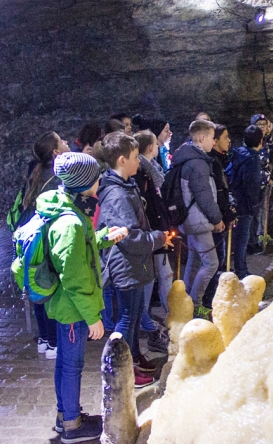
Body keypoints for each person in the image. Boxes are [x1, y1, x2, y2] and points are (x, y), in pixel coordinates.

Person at [38, 152, 126, 443]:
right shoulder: (71, 224)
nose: (100, 180)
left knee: (65, 363)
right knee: (71, 367)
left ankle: (66, 415)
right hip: (73, 310)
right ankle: (73, 428)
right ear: (84, 183)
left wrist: (105, 237)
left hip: (67, 306)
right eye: (96, 177)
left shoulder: (69, 210)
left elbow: (80, 249)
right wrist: (93, 318)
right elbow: (74, 279)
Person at [96, 132, 172, 388]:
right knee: (127, 317)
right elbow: (129, 237)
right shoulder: (117, 195)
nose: (139, 161)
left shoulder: (126, 185)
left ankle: (134, 355)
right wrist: (158, 238)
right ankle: (122, 368)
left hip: (135, 264)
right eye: (134, 157)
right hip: (126, 264)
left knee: (136, 312)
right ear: (121, 160)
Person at [19, 131, 70, 360]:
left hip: (33, 240)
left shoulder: (36, 173)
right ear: (55, 152)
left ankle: (44, 339)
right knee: (50, 289)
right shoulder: (57, 177)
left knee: (38, 289)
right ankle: (53, 342)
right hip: (47, 240)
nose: (67, 142)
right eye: (62, 141)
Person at [172, 120, 224, 319]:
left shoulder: (189, 159)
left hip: (192, 220)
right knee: (211, 263)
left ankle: (186, 302)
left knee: (194, 262)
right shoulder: (197, 163)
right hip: (199, 221)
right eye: (212, 137)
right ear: (202, 138)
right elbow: (204, 196)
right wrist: (217, 218)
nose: (214, 141)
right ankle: (194, 305)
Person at [132, 130, 173, 353]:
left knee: (156, 276)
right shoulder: (141, 176)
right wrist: (156, 234)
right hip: (149, 234)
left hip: (155, 232)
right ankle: (147, 324)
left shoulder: (149, 172)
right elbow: (147, 207)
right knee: (148, 280)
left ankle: (155, 320)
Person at [201, 124, 236, 308]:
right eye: (225, 137)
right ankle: (206, 300)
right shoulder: (212, 162)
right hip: (215, 220)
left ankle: (208, 298)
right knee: (213, 261)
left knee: (216, 260)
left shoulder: (218, 160)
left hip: (219, 217)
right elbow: (215, 193)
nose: (229, 141)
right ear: (214, 142)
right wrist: (222, 215)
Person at [229, 125, 263, 279]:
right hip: (245, 204)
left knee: (238, 238)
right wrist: (253, 206)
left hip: (235, 199)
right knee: (243, 238)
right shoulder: (253, 159)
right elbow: (252, 184)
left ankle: (238, 267)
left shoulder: (237, 154)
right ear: (260, 141)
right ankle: (241, 271)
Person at [248, 113, 273, 253]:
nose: (261, 127)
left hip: (265, 183)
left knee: (263, 211)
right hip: (253, 184)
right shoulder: (248, 141)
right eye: (258, 125)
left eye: (264, 124)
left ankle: (261, 236)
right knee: (252, 213)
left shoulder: (269, 143)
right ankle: (251, 241)